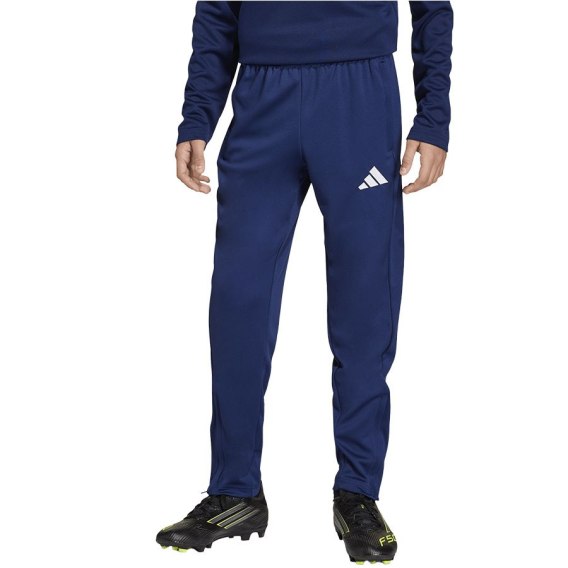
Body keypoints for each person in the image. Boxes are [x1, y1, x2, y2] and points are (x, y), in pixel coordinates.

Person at [156, 1, 453, 564]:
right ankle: (235, 491)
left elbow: (433, 7)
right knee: (238, 303)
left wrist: (433, 115)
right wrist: (198, 116)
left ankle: (358, 493)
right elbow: (217, 10)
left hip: (359, 96)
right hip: (260, 97)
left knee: (364, 304)